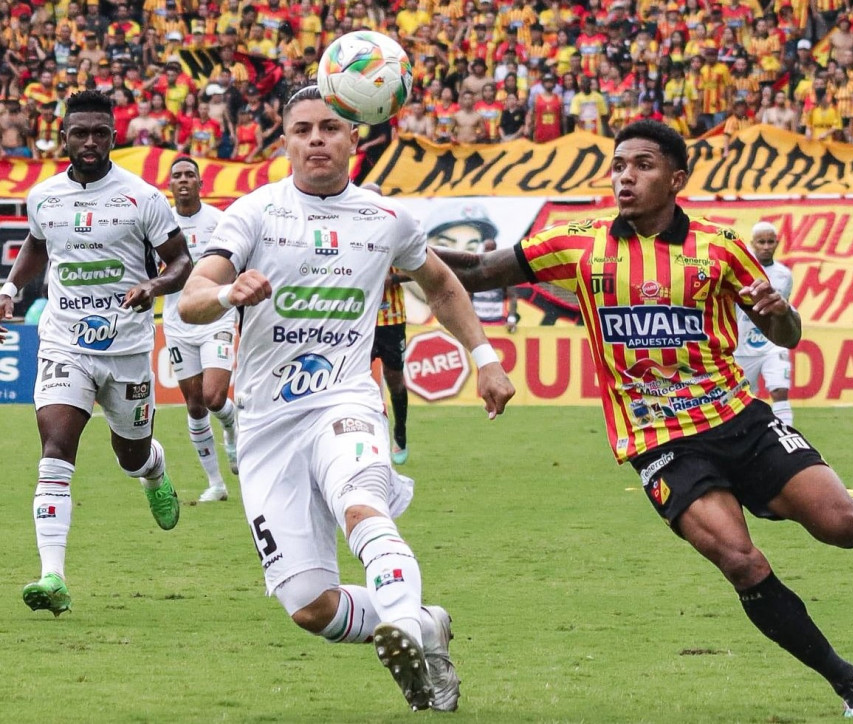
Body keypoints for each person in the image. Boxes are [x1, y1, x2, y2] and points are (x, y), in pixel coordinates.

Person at [432, 119, 853, 719]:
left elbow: (786, 332)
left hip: (739, 419)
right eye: (619, 165)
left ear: (677, 179)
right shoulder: (578, 243)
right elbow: (476, 270)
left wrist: (780, 313)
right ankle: (852, 687)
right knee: (741, 561)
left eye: (643, 165)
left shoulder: (719, 247)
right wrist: (399, 250)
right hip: (660, 440)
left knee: (837, 526)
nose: (625, 176)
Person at [176, 86, 515, 712]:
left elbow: (441, 286)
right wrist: (228, 296)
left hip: (345, 401)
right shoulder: (252, 214)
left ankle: (406, 625)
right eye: (302, 129)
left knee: (361, 505)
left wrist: (485, 358)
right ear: (284, 141)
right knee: (310, 606)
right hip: (267, 424)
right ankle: (425, 623)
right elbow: (193, 296)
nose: (315, 140)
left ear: (354, 137)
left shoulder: (387, 219)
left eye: (330, 127)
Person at [0, 90, 193, 617]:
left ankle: (154, 469)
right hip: (65, 341)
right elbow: (37, 245)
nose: (89, 142)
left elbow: (181, 262)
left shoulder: (142, 198)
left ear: (114, 136)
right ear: (63, 137)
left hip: (127, 349)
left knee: (130, 455)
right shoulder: (45, 197)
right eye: (80, 132)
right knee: (55, 451)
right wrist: (10, 290)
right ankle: (52, 575)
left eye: (100, 133)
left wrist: (154, 287)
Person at [164, 156, 239, 502]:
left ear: (199, 183)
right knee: (194, 405)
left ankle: (231, 425)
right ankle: (216, 484)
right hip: (178, 322)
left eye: (189, 175)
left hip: (216, 317)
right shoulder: (161, 225)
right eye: (177, 175)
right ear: (170, 184)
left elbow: (237, 265)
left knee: (214, 397)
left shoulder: (220, 222)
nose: (183, 180)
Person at [362, 182, 411, 466]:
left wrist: (392, 279)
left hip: (392, 320)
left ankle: (400, 434)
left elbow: (417, 269)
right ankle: (369, 438)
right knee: (355, 381)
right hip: (361, 319)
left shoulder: (397, 233)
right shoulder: (350, 233)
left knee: (394, 379)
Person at [734, 222, 794, 425]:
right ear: (752, 244)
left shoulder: (784, 275)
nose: (766, 246)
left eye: (770, 242)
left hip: (772, 344)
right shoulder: (739, 271)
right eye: (762, 242)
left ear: (777, 243)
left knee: (779, 390)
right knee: (741, 400)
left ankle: (787, 438)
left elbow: (781, 311)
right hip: (740, 347)